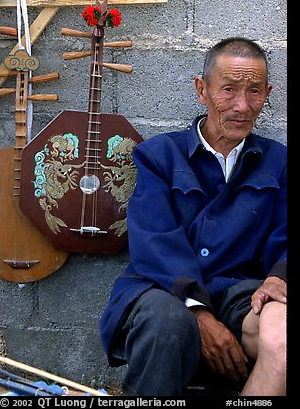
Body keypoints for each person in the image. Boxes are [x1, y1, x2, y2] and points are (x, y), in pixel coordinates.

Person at [99, 37, 287, 396]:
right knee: (167, 323)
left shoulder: (280, 162)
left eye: (254, 91)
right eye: (228, 90)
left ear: (268, 93)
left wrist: (280, 278)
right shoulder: (159, 156)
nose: (242, 106)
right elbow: (153, 240)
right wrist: (199, 312)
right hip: (162, 287)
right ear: (202, 90)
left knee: (280, 328)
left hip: (240, 292)